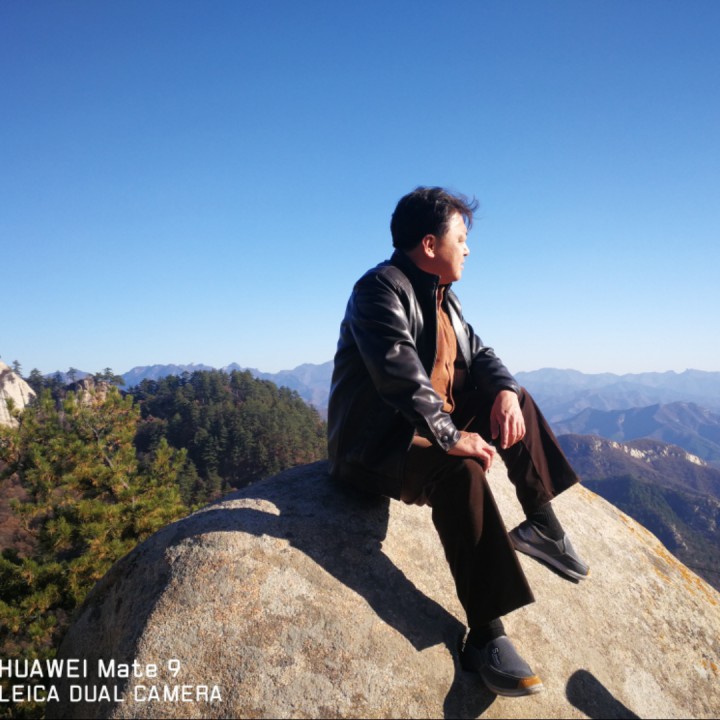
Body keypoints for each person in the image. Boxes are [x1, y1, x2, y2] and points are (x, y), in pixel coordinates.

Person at [327, 186, 589, 697]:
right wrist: (451, 437)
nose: (468, 249)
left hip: (425, 425)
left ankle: (542, 526)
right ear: (429, 244)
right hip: (378, 444)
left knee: (514, 400)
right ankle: (486, 634)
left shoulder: (444, 297)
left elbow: (480, 354)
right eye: (461, 238)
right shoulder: (379, 289)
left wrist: (506, 391)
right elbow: (397, 373)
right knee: (460, 469)